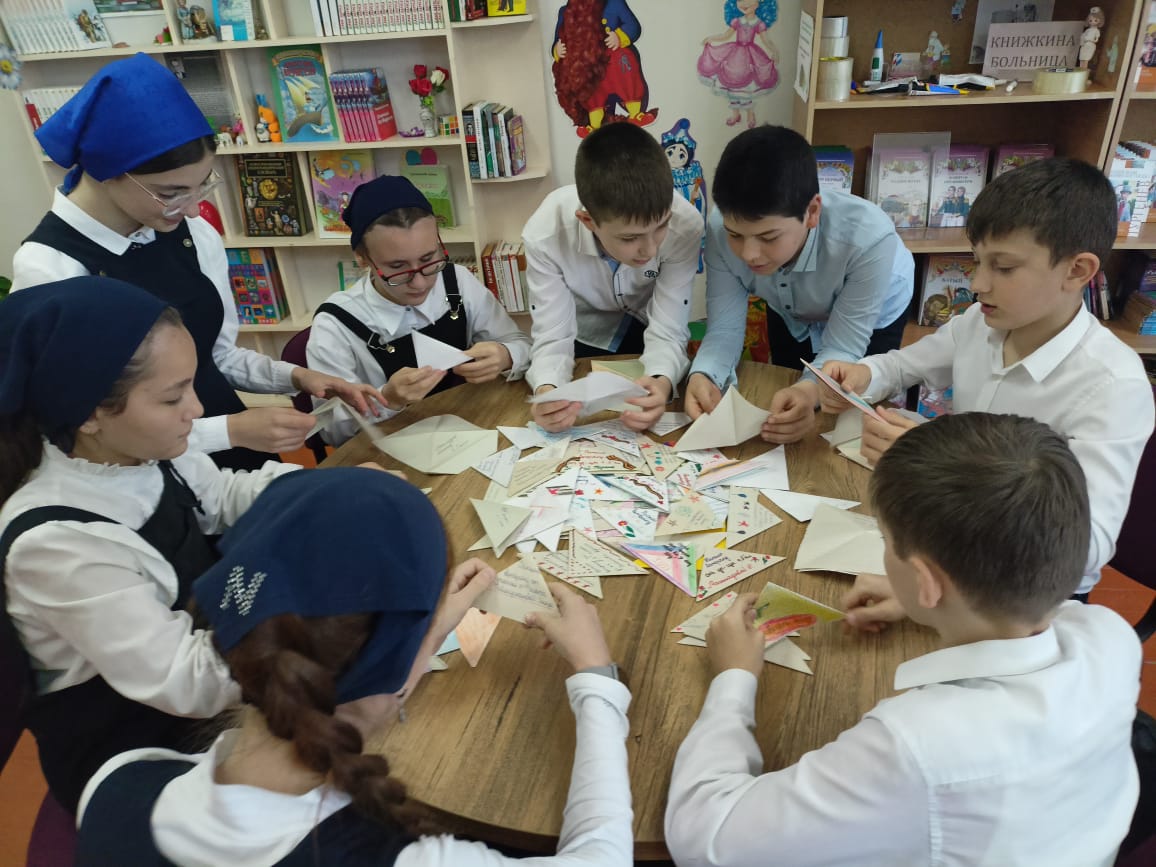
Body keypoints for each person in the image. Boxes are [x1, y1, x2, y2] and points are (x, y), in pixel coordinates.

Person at [75, 468, 634, 866]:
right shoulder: (403, 857)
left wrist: (419, 636)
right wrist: (595, 676)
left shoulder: (117, 783)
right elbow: (602, 857)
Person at [666, 413, 1140, 866]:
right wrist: (923, 601)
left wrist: (733, 679)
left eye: (885, 542)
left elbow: (705, 838)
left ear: (927, 581)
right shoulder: (1109, 636)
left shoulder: (916, 748)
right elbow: (1022, 601)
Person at [0, 277, 302, 813]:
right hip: (141, 751)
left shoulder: (145, 449)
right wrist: (321, 636)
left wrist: (328, 492)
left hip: (218, 674)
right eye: (172, 396)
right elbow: (186, 681)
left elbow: (225, 496)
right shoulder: (55, 541)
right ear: (89, 413)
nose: (197, 408)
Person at [11, 53, 382, 470]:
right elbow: (79, 428)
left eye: (200, 187)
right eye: (170, 193)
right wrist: (228, 431)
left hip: (232, 449)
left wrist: (296, 377)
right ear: (107, 170)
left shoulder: (193, 233)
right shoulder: (49, 267)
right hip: (141, 475)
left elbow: (215, 357)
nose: (190, 210)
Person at [820, 157, 1154, 598]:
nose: (977, 284)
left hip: (1029, 592)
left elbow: (1084, 546)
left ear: (1077, 271)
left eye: (1004, 268)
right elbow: (902, 366)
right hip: (951, 544)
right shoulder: (981, 323)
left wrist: (938, 468)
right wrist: (863, 374)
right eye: (977, 261)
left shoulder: (1113, 387)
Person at [685, 125, 914, 444]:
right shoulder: (720, 228)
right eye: (735, 235)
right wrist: (705, 373)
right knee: (786, 405)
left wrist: (810, 392)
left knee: (847, 420)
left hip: (874, 312)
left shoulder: (870, 239)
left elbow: (843, 348)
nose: (749, 254)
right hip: (788, 305)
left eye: (768, 237)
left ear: (812, 212)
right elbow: (724, 328)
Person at [306, 175, 531, 446]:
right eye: (397, 268)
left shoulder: (456, 281)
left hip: (471, 429)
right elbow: (332, 430)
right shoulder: (336, 325)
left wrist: (506, 355)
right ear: (362, 258)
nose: (420, 283)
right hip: (388, 450)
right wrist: (388, 399)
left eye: (428, 259)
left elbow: (521, 343)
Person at [523, 122, 704, 433]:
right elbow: (552, 335)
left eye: (661, 226)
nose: (650, 249)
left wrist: (661, 382)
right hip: (585, 333)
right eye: (630, 238)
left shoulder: (686, 224)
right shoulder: (545, 235)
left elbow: (670, 325)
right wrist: (548, 392)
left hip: (647, 323)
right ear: (588, 221)